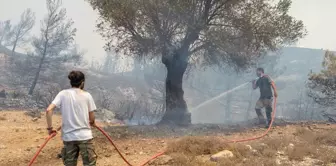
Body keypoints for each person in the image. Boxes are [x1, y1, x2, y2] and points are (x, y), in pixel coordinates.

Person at [46, 71, 97, 166]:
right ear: (82, 82)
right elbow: (92, 118)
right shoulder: (87, 95)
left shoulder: (62, 94)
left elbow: (49, 110)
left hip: (69, 137)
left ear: (71, 82)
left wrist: (50, 129)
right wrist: (92, 122)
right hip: (85, 136)